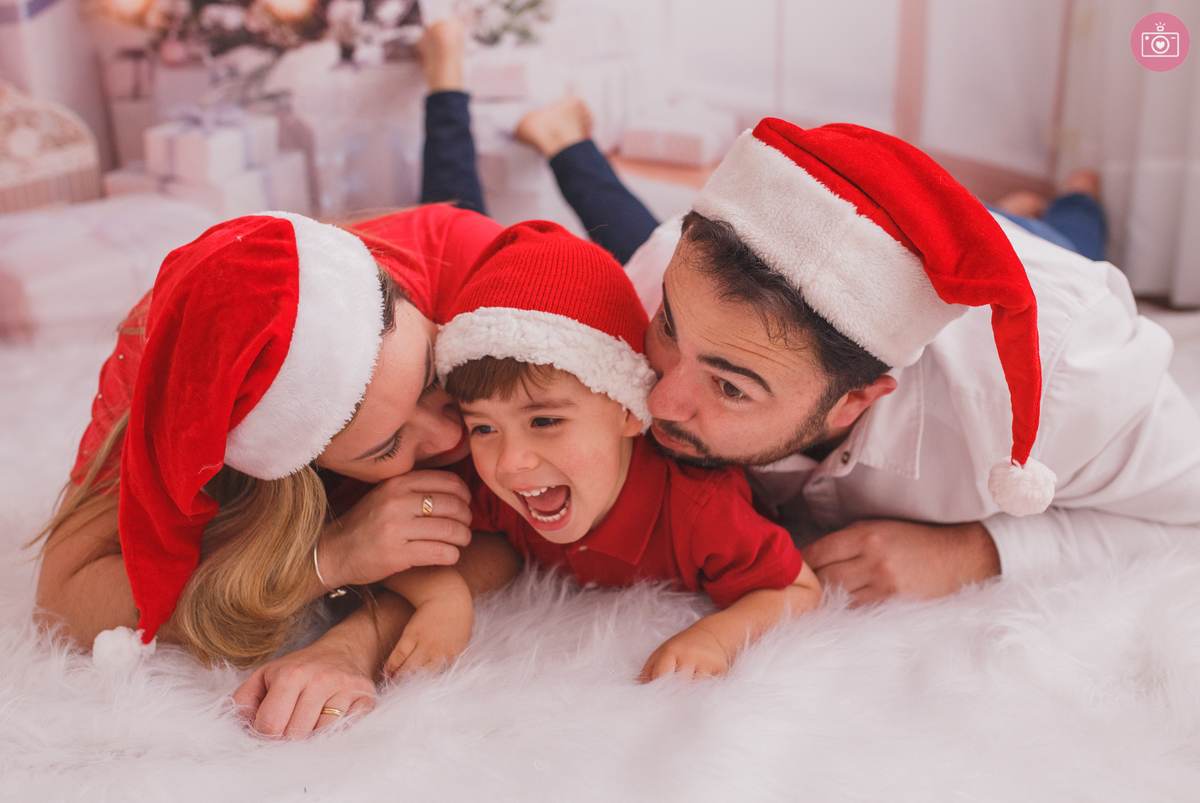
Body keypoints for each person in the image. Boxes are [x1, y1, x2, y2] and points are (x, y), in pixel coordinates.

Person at [616, 118, 1200, 606]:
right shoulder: (658, 279)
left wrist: (977, 553)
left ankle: (1076, 195)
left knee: (1069, 230)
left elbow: (1188, 521)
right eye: (670, 327)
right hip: (918, 232)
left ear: (856, 399)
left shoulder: (1073, 373)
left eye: (729, 387)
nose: (658, 400)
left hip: (1028, 257)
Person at [390, 218, 820, 680]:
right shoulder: (494, 486)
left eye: (545, 421)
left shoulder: (699, 510)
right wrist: (442, 596)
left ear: (629, 411)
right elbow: (393, 541)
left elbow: (797, 588)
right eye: (484, 429)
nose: (512, 461)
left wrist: (716, 637)